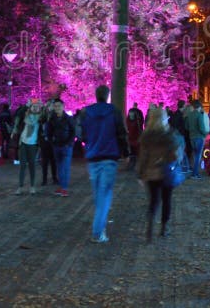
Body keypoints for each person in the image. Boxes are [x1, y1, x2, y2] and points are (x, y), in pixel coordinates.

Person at [80, 84, 128, 243]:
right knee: (105, 195)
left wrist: (88, 142)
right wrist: (126, 152)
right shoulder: (114, 111)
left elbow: (82, 134)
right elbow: (121, 132)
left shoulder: (86, 112)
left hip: (93, 156)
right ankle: (98, 231)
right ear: (107, 96)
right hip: (109, 156)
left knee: (98, 194)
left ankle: (100, 227)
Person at [137, 106, 184, 242]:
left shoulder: (146, 136)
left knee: (153, 201)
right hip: (167, 172)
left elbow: (143, 157)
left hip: (151, 173)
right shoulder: (170, 135)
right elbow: (177, 155)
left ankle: (150, 225)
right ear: (165, 118)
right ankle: (164, 227)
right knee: (167, 200)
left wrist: (140, 174)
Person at [46, 99, 76, 196]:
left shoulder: (68, 118)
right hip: (56, 145)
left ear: (63, 107)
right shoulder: (52, 119)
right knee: (59, 166)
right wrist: (51, 141)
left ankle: (64, 188)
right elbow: (49, 131)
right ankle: (62, 186)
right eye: (55, 106)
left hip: (66, 146)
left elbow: (73, 131)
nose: (57, 108)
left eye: (59, 106)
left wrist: (69, 143)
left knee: (65, 167)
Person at [14, 101, 42, 195]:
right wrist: (26, 105)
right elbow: (18, 113)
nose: (34, 108)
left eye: (36, 106)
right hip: (23, 143)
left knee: (32, 166)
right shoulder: (25, 116)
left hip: (33, 144)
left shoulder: (41, 118)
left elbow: (47, 114)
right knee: (22, 166)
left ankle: (32, 186)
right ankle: (20, 187)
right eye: (33, 106)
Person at [185, 99, 209, 179]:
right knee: (198, 156)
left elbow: (187, 127)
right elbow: (202, 128)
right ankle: (195, 174)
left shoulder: (189, 115)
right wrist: (205, 134)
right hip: (199, 137)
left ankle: (194, 172)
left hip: (192, 137)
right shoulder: (199, 115)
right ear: (199, 106)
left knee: (195, 156)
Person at [39, 100, 58, 186]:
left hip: (52, 140)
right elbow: (40, 126)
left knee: (53, 160)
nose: (50, 107)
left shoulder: (55, 116)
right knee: (44, 161)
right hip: (44, 141)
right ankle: (44, 179)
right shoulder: (42, 116)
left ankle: (54, 177)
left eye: (51, 106)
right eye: (48, 105)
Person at [126, 103, 144, 171]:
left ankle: (134, 164)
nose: (130, 114)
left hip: (135, 138)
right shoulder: (129, 120)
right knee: (132, 151)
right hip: (131, 138)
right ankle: (132, 164)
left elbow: (139, 127)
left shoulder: (137, 120)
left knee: (135, 151)